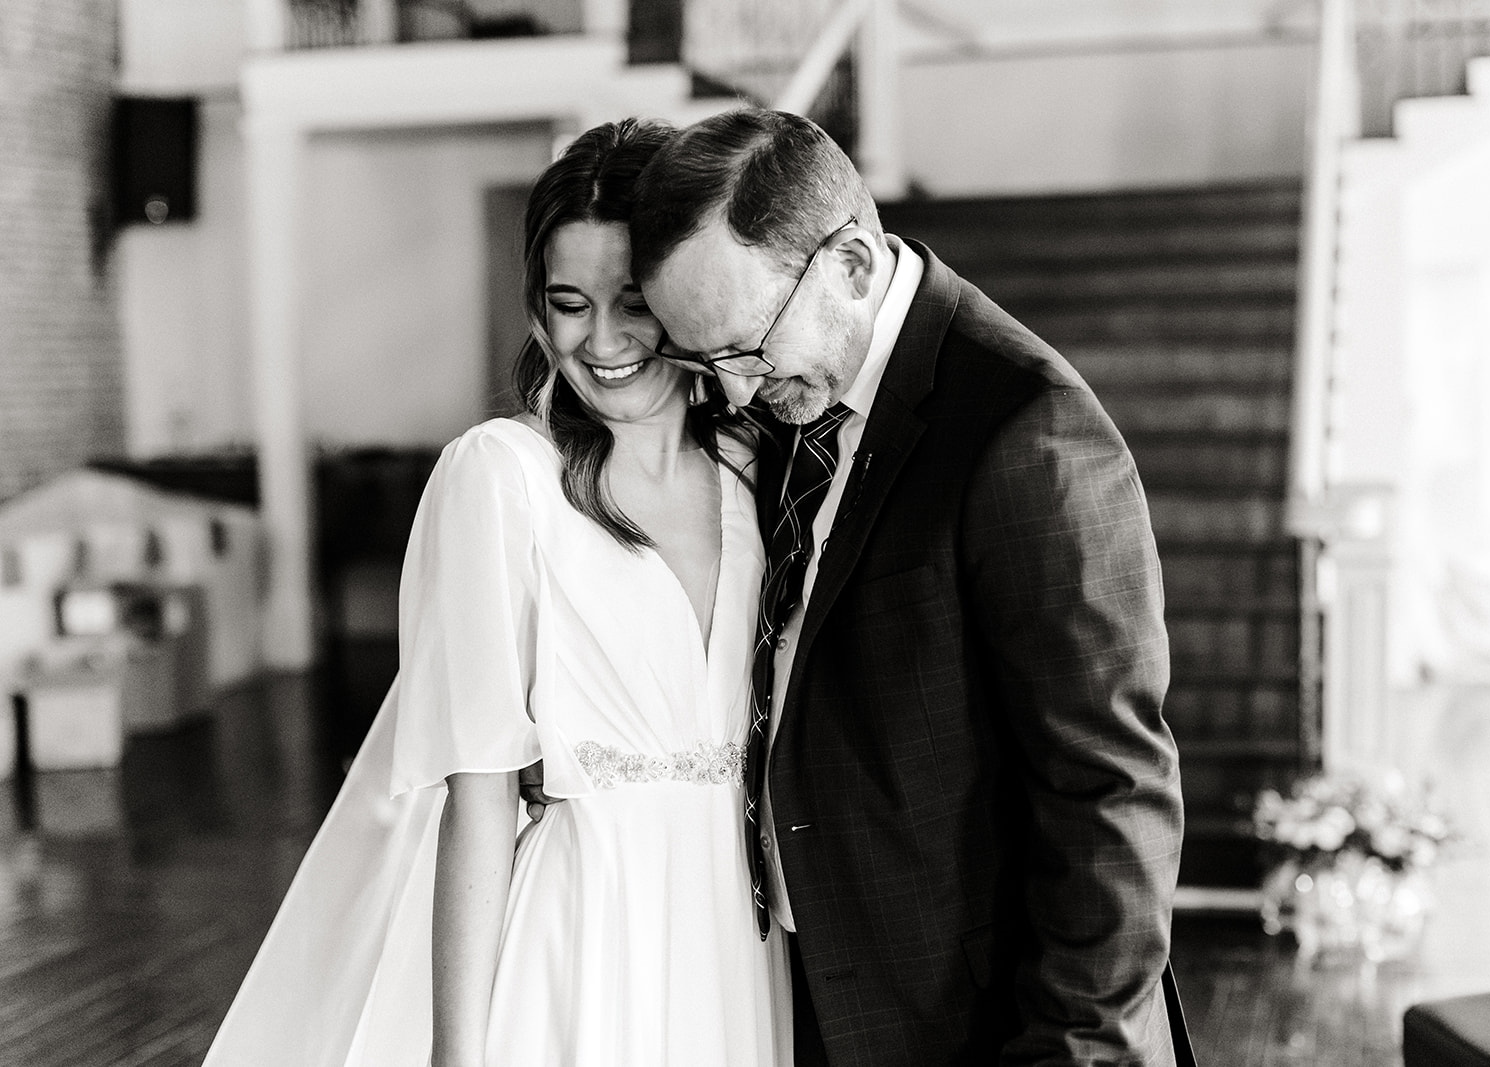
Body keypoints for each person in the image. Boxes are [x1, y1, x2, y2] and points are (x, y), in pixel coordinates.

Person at [202, 118, 791, 1067]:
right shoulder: (500, 477)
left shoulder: (757, 470)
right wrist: (458, 1056)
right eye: (569, 302)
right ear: (535, 309)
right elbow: (477, 798)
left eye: (635, 299)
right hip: (583, 941)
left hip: (736, 932)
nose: (605, 340)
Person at [627, 107, 1194, 1066]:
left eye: (744, 346)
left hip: (984, 1028)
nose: (728, 391)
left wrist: (1072, 1049)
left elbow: (1111, 793)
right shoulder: (795, 398)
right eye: (703, 358)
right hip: (823, 998)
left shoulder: (1026, 432)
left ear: (850, 264)